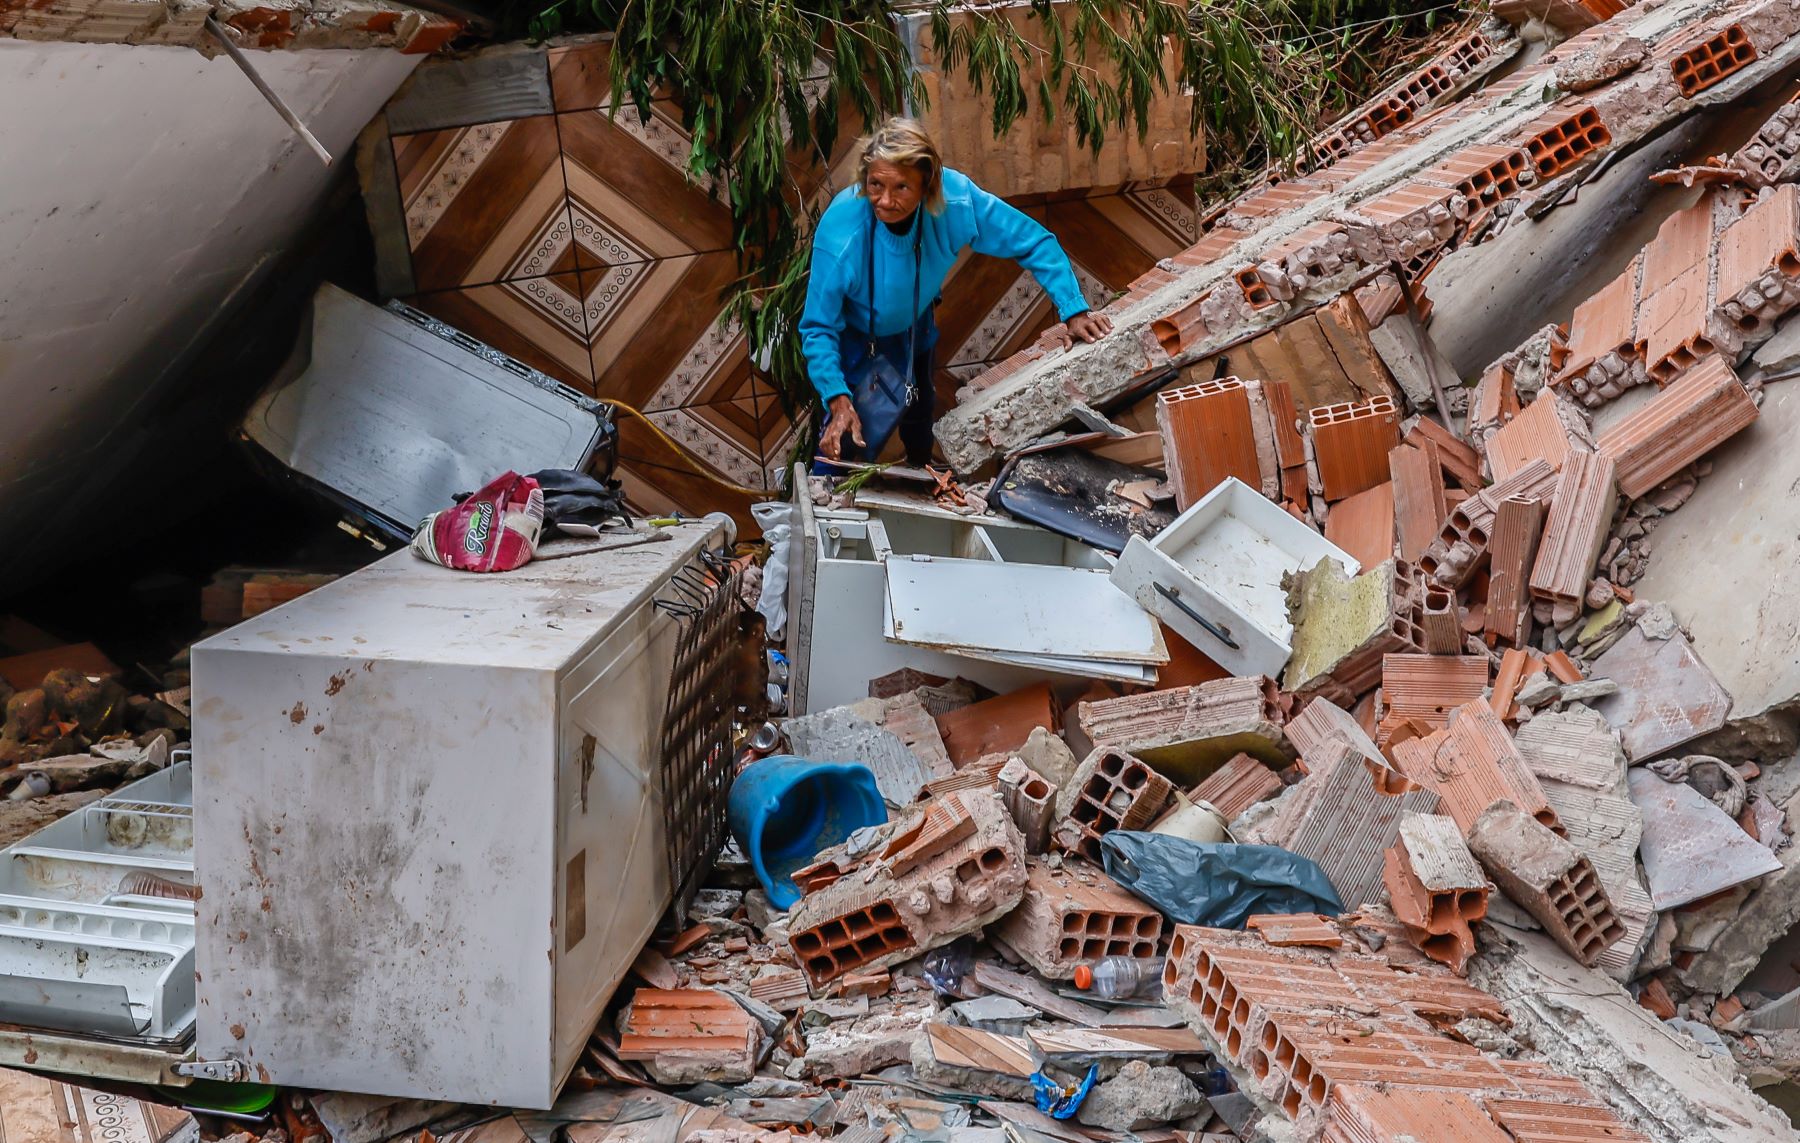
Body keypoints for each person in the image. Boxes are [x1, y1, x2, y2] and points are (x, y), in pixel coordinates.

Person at [799, 117, 1113, 466]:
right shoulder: (843, 231)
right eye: (875, 185)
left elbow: (1034, 242)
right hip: (856, 337)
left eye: (901, 187)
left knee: (919, 406)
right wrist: (836, 396)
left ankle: (920, 467)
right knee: (848, 439)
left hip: (916, 321)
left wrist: (1074, 310)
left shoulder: (956, 201)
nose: (884, 201)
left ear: (928, 185)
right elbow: (818, 327)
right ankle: (829, 492)